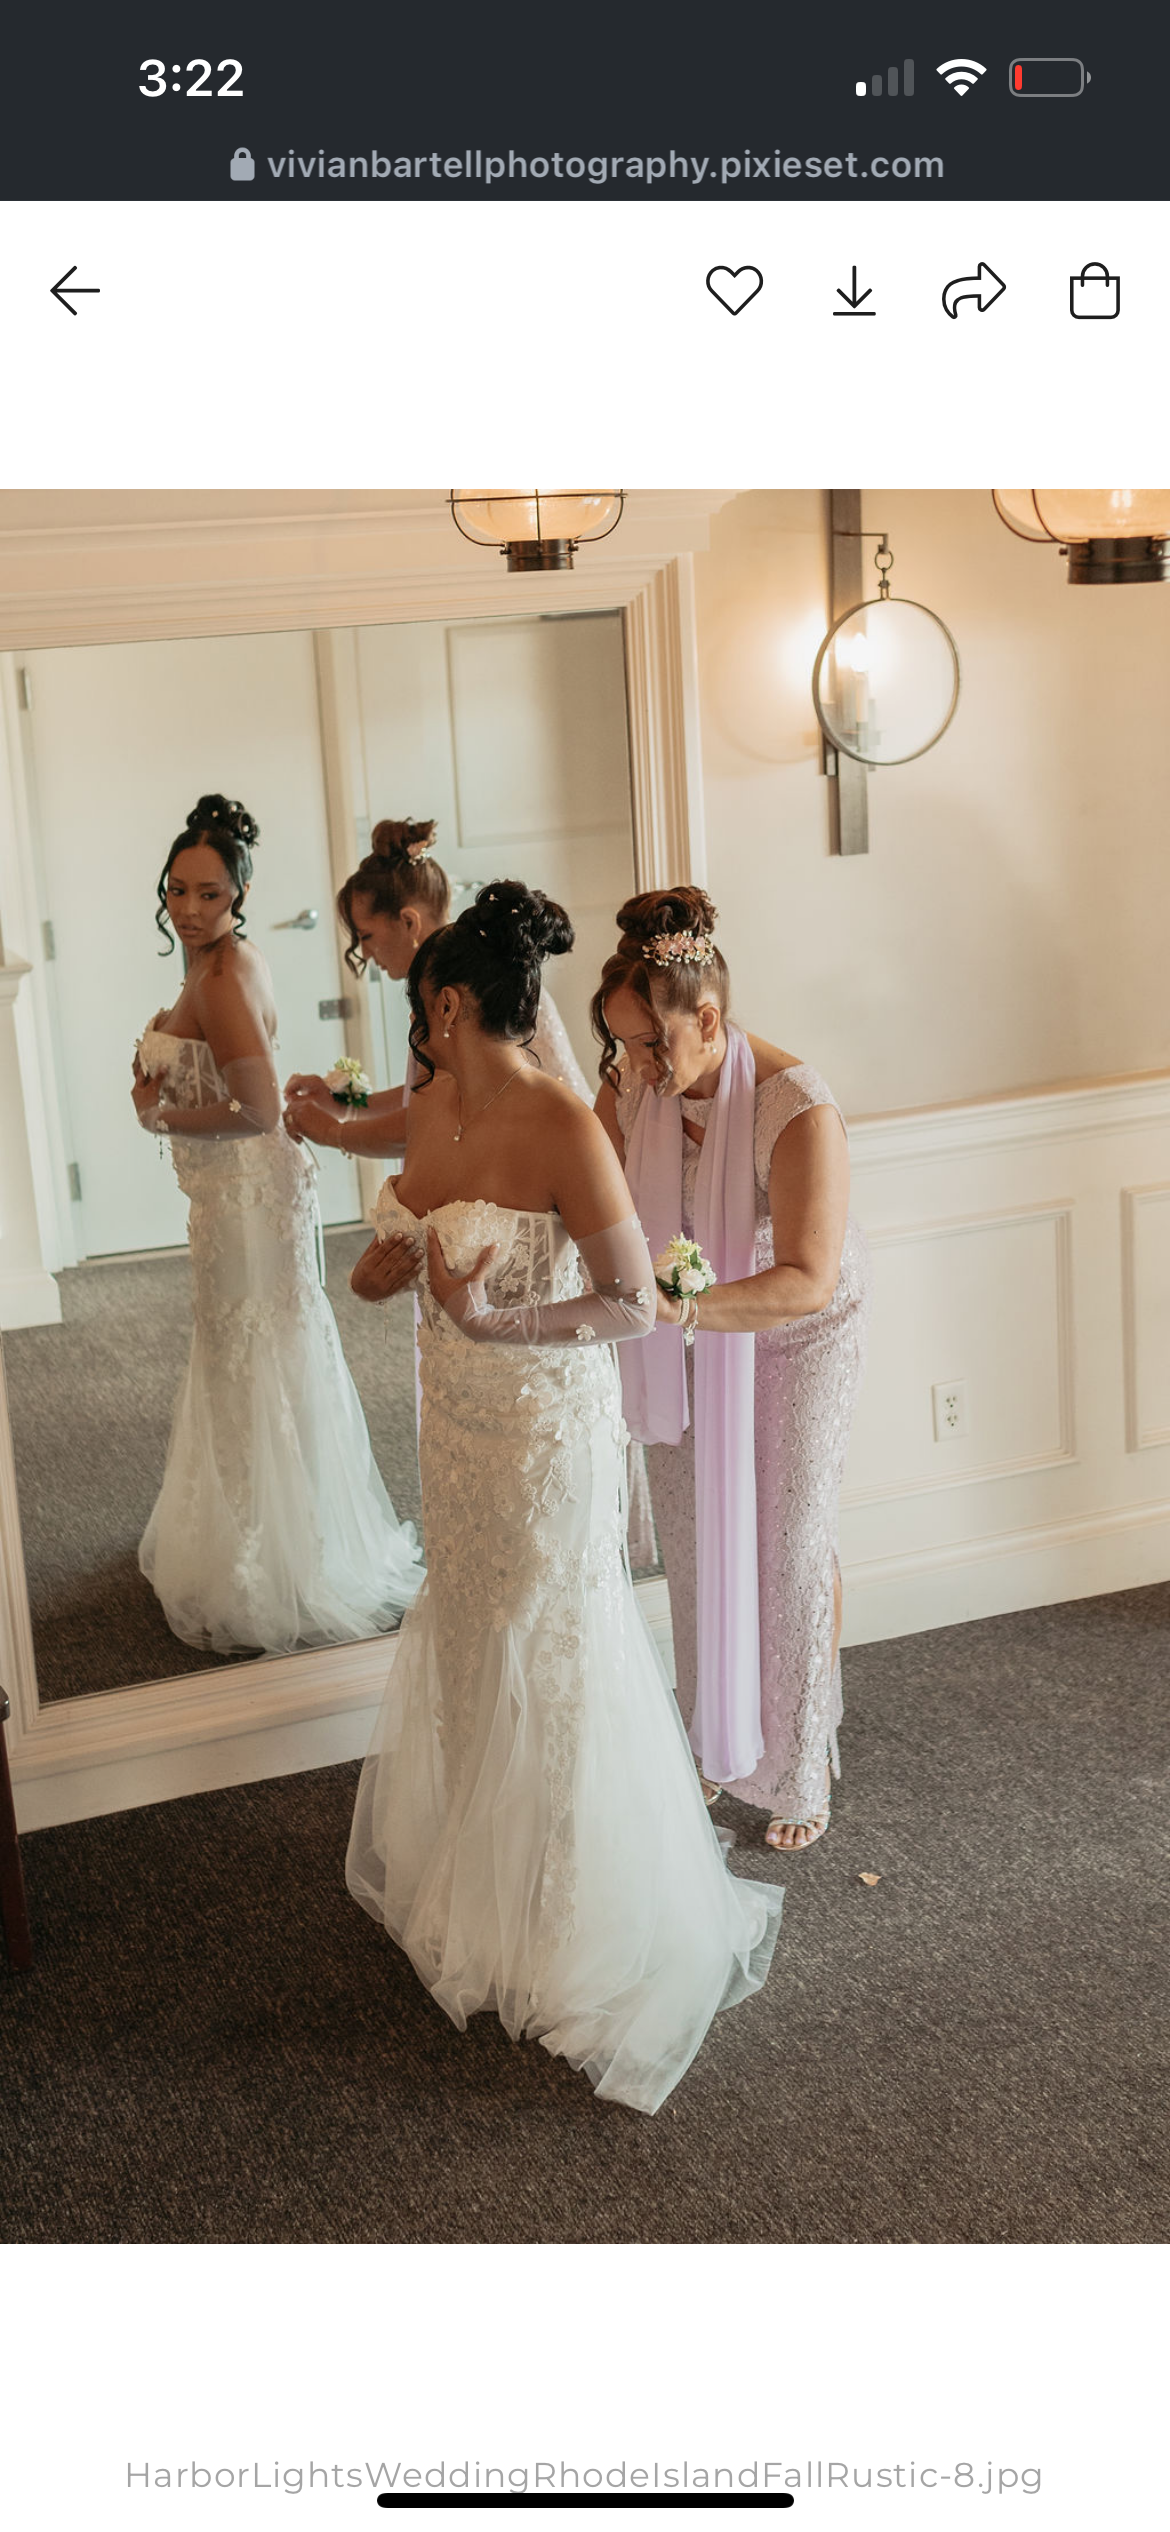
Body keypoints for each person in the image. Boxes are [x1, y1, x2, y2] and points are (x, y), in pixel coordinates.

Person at [343, 880, 782, 2116]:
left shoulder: (562, 1126)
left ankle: (574, 1922)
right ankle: (483, 1890)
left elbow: (634, 1303)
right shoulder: (429, 1109)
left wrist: (503, 1322)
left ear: (447, 1002)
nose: (413, 1030)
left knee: (554, 1646)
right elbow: (394, 1274)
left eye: (419, 1007)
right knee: (477, 1637)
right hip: (458, 1439)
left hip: (542, 1436)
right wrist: (387, 1269)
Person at [593, 887, 872, 1853]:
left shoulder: (797, 1107)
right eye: (621, 1044)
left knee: (788, 1539)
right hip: (686, 1333)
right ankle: (720, 1734)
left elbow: (805, 1275)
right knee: (699, 1528)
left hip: (797, 1333)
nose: (630, 1067)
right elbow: (585, 1185)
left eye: (648, 1043)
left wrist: (681, 1310)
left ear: (706, 1019)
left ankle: (799, 1757)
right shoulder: (638, 1085)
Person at [132, 794, 422, 1655]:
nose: (189, 908)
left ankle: (280, 1556)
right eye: (178, 890)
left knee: (256, 1348)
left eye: (210, 894)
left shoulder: (221, 978)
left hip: (247, 1198)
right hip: (238, 1198)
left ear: (239, 894)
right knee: (251, 1347)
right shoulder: (217, 964)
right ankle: (268, 1529)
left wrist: (157, 1119)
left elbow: (257, 1111)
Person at [281, 817, 591, 1161]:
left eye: (366, 936)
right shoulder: (439, 986)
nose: (365, 954)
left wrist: (330, 1131)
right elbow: (431, 1092)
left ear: (409, 922)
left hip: (540, 1158)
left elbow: (428, 1121)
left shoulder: (460, 994)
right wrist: (344, 1104)